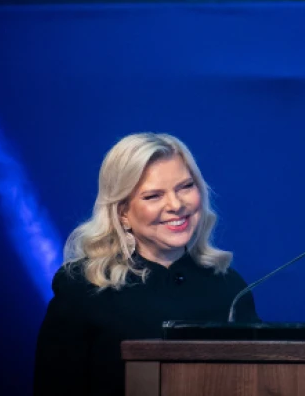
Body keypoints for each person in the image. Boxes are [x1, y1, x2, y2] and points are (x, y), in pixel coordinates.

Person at [33, 133, 258, 395]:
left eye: (185, 186)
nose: (176, 205)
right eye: (153, 196)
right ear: (122, 213)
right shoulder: (82, 289)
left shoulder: (229, 287)